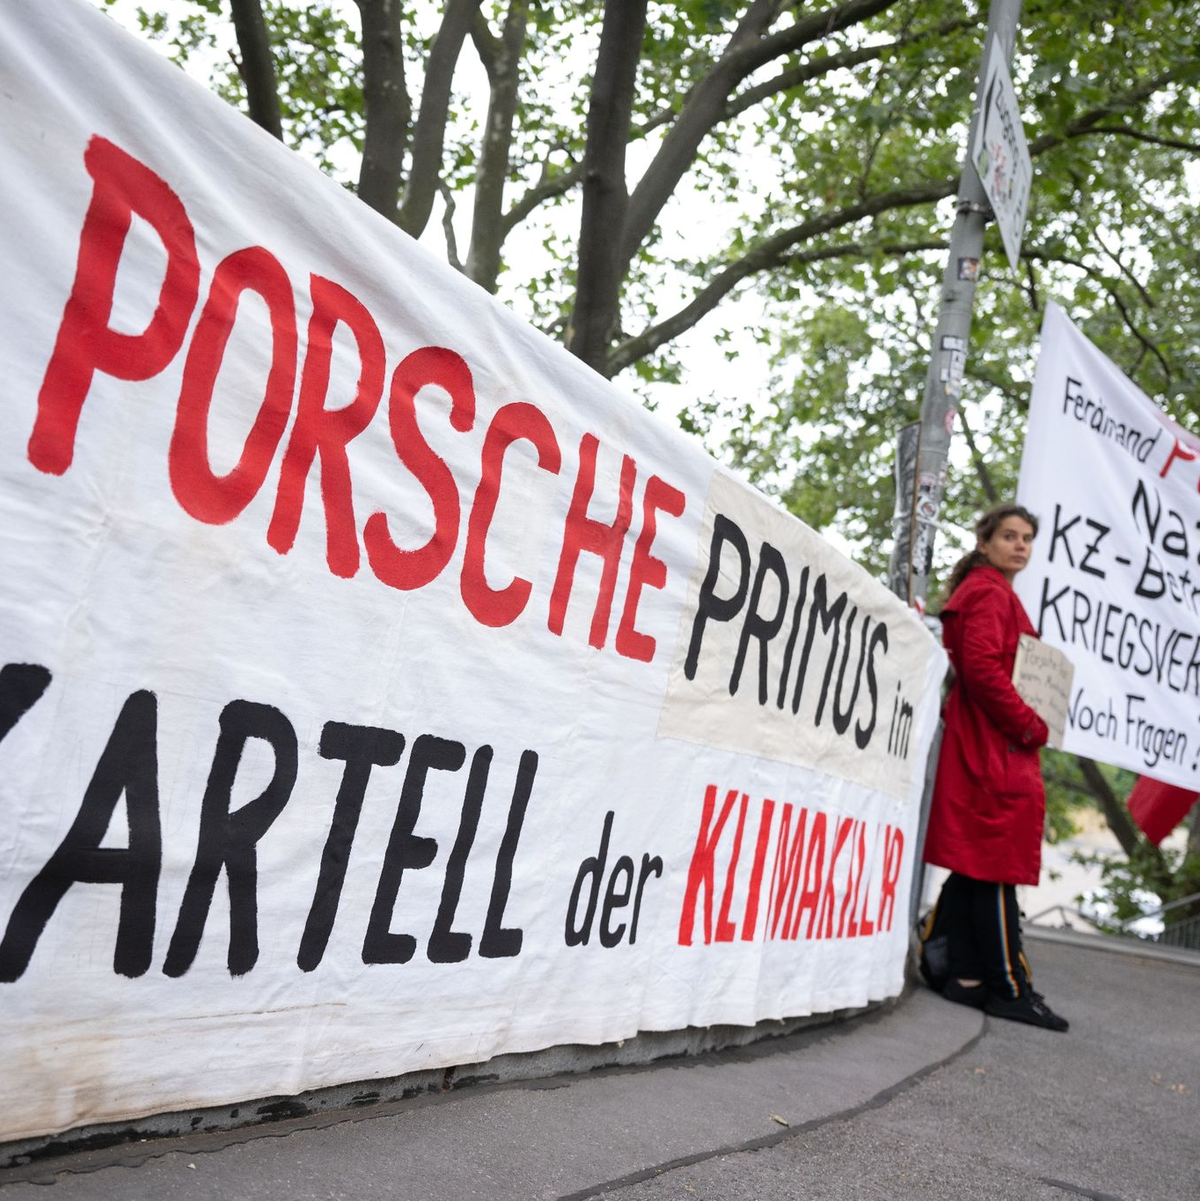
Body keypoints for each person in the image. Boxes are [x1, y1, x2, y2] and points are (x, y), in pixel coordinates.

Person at [917, 503, 1069, 1032]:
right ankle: (1008, 988)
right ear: (985, 543)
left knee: (979, 863)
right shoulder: (988, 592)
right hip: (994, 744)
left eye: (1027, 537)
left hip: (986, 740)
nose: (1021, 545)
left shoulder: (989, 591)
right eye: (1010, 535)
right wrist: (1029, 724)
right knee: (997, 866)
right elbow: (980, 667)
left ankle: (964, 978)